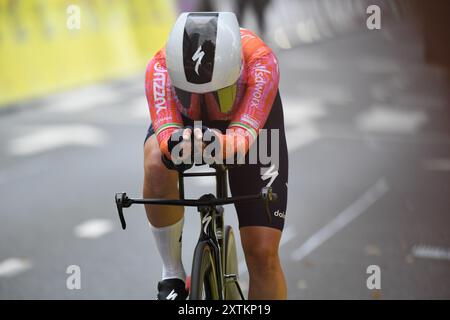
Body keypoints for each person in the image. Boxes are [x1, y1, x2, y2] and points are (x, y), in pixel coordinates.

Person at [144, 11, 289, 300]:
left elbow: (243, 137)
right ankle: (171, 272)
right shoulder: (159, 67)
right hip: (185, 121)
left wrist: (222, 143)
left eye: (219, 90)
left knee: (263, 255)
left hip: (247, 122)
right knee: (155, 163)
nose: (204, 94)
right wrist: (175, 145)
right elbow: (165, 135)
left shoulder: (261, 62)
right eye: (185, 90)